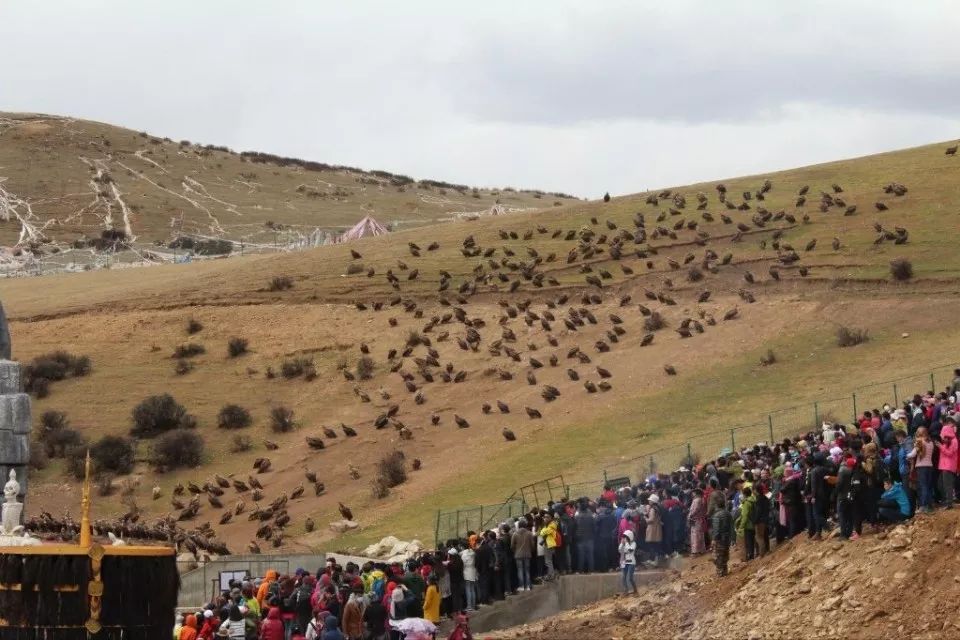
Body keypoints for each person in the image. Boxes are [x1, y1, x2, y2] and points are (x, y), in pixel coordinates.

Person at [907, 427, 934, 513]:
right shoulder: (931, 442)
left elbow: (913, 454)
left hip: (921, 466)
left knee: (923, 486)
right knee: (928, 486)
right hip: (930, 466)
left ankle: (923, 506)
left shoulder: (919, 441)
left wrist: (906, 455)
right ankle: (929, 506)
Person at [938, 419, 958, 509]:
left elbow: (949, 453)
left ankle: (949, 503)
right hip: (945, 466)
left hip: (948, 466)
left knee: (948, 485)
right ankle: (947, 501)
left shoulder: (954, 441)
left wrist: (940, 446)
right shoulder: (949, 440)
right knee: (942, 484)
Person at [710, 499, 733, 577]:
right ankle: (725, 571)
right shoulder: (728, 513)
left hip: (720, 538)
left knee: (719, 555)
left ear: (716, 506)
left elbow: (716, 529)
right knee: (725, 553)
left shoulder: (716, 515)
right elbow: (731, 526)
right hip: (727, 537)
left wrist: (713, 539)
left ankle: (720, 573)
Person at [510, 520, 535, 591]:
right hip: (527, 554)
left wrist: (515, 551)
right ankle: (528, 586)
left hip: (518, 554)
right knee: (527, 570)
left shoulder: (515, 534)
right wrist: (530, 550)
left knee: (520, 570)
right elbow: (532, 545)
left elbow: (512, 546)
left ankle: (521, 586)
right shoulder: (529, 533)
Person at [736, 486, 756, 560]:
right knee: (753, 540)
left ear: (744, 494)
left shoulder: (746, 503)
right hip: (754, 522)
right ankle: (753, 554)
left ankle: (750, 556)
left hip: (748, 525)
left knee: (749, 542)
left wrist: (741, 526)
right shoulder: (753, 500)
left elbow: (745, 516)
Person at [538, 514, 559, 581]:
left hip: (549, 544)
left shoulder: (551, 526)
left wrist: (543, 530)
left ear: (549, 519)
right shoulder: (550, 525)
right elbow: (542, 532)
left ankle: (551, 575)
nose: (544, 519)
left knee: (548, 561)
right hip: (550, 544)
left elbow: (542, 532)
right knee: (549, 560)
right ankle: (550, 574)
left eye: (545, 518)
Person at [687, 489, 706, 555]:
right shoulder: (701, 499)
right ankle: (701, 550)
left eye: (693, 493)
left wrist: (690, 516)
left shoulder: (697, 500)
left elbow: (695, 509)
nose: (692, 494)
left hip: (695, 519)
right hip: (699, 519)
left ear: (696, 493)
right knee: (700, 535)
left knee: (695, 535)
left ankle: (696, 551)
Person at [618, 530, 637, 594]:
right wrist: (621, 543)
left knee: (630, 578)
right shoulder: (624, 543)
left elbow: (630, 550)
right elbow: (620, 550)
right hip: (623, 561)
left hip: (631, 562)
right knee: (623, 577)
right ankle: (626, 590)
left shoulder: (633, 543)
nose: (624, 538)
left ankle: (635, 590)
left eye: (626, 537)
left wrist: (626, 543)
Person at [460, 544, 478, 611]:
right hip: (473, 571)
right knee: (472, 589)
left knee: (468, 590)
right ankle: (473, 605)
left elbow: (463, 564)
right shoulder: (473, 553)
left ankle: (469, 606)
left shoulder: (464, 555)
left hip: (467, 572)